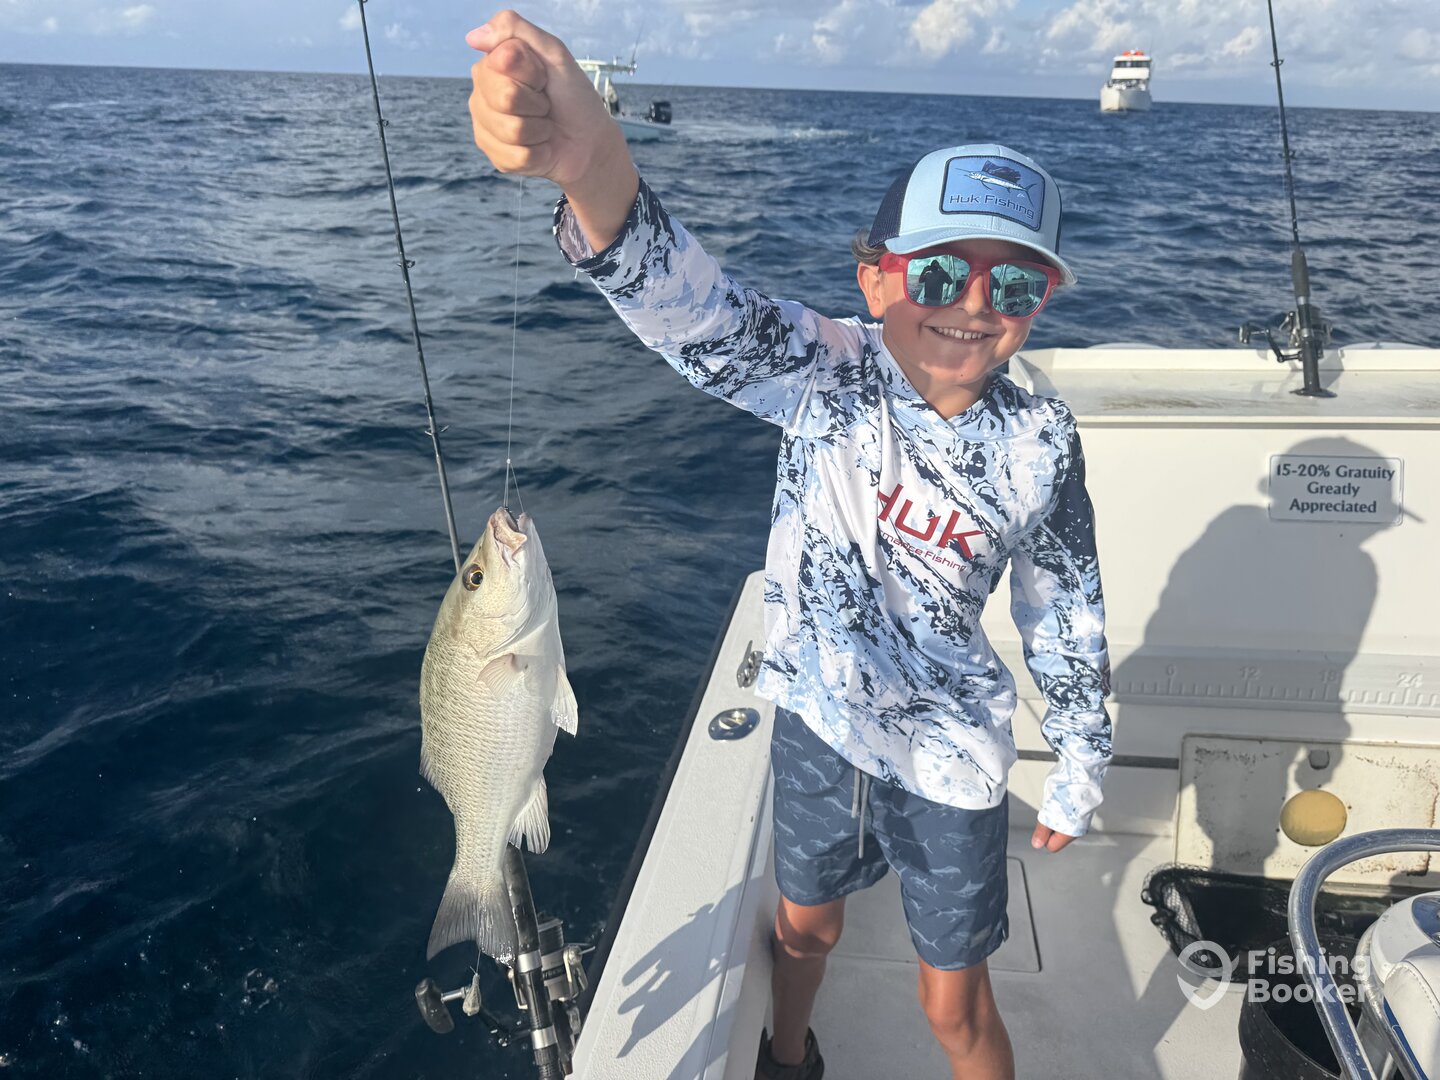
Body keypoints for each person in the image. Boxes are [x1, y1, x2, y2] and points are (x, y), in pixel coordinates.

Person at [464, 12, 1113, 1080]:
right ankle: (790, 1054)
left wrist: (1082, 752)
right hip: (819, 716)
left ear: (1038, 304)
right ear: (877, 280)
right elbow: (694, 311)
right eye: (940, 276)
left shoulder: (1042, 440)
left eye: (1014, 286)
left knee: (954, 1002)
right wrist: (594, 166)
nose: (973, 307)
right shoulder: (826, 372)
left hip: (952, 756)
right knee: (804, 931)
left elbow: (1065, 606)